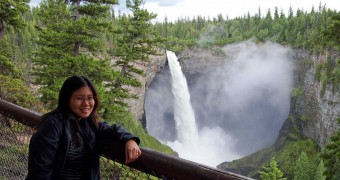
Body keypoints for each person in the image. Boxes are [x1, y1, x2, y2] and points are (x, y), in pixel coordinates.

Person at [26, 75, 141, 180]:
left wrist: (130, 140)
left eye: (90, 98)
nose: (86, 103)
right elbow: (40, 173)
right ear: (67, 99)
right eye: (79, 98)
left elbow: (112, 129)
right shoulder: (53, 126)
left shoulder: (89, 124)